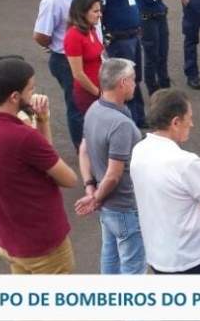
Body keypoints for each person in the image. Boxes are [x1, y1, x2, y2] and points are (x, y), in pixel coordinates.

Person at [0, 57, 78, 274]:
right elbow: (68, 179)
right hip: (43, 245)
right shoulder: (23, 137)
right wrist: (41, 123)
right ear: (14, 96)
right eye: (31, 89)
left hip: (11, 241)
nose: (34, 93)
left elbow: (43, 158)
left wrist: (42, 121)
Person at [131, 89, 200, 274]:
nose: (192, 124)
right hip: (189, 257)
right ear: (175, 122)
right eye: (189, 118)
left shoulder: (139, 150)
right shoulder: (185, 162)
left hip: (158, 254)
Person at [74, 58, 146, 274]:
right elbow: (114, 175)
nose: (135, 84)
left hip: (107, 207)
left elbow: (83, 150)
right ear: (123, 83)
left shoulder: (93, 109)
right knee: (133, 269)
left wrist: (91, 189)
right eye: (133, 80)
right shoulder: (121, 124)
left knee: (110, 259)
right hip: (125, 208)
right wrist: (95, 199)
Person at [33, 0, 95, 150]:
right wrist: (57, 46)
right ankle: (82, 147)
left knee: (91, 104)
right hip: (66, 60)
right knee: (77, 105)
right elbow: (41, 34)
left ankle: (93, 141)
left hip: (90, 56)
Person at [94, 0, 146, 128]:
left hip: (133, 36)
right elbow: (98, 14)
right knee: (124, 80)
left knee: (135, 78)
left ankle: (139, 116)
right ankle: (129, 120)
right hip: (119, 40)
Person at [130, 0, 172, 95]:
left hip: (160, 16)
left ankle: (165, 85)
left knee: (163, 53)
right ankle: (153, 90)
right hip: (147, 20)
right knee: (151, 55)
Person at [63, 0, 104, 116]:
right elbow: (78, 74)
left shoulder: (91, 29)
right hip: (89, 93)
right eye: (95, 11)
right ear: (83, 13)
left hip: (100, 88)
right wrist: (98, 93)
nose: (100, 14)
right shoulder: (73, 36)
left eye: (100, 10)